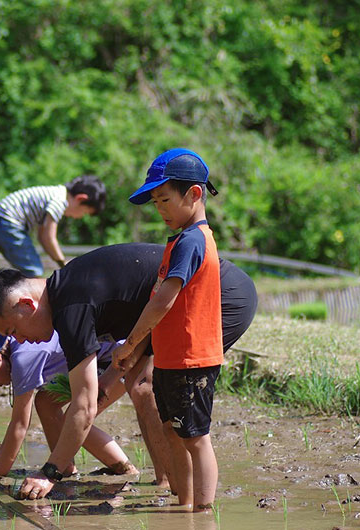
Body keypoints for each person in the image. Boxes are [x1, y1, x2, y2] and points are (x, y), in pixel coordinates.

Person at [0, 243, 256, 501]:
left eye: (13, 331)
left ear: (26, 304)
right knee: (140, 382)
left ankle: (192, 503)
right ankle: (173, 490)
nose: (19, 341)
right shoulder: (65, 295)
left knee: (154, 390)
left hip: (219, 296)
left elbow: (84, 408)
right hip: (180, 305)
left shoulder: (71, 309)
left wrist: (49, 473)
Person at [113, 148, 223, 512]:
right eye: (155, 202)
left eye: (165, 199)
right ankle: (185, 505)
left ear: (194, 194)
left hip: (193, 359)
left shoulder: (193, 240)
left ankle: (203, 512)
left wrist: (130, 344)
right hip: (172, 358)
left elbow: (163, 301)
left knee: (195, 438)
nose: (159, 209)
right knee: (174, 433)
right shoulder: (179, 240)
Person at [0, 323, 142, 479]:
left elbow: (19, 424)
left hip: (120, 361)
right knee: (45, 402)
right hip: (92, 362)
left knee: (75, 419)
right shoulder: (17, 348)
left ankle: (125, 471)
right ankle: (65, 468)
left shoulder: (23, 358)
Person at [0, 176, 106, 277]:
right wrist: (63, 263)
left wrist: (59, 261)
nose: (80, 217)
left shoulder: (56, 193)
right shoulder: (59, 201)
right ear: (80, 198)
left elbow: (42, 237)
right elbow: (49, 238)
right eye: (84, 212)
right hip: (7, 222)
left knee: (27, 268)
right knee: (34, 270)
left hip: (0, 221)